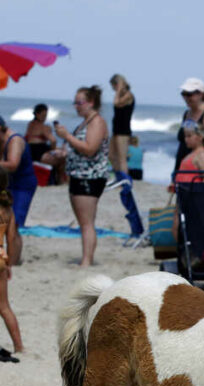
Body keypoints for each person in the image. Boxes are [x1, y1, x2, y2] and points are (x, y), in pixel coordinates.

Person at [56, 85, 110, 267]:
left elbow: (90, 148)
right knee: (84, 222)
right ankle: (86, 259)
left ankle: (86, 261)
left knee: (86, 223)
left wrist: (66, 136)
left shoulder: (97, 122)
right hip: (80, 175)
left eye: (80, 102)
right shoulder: (86, 122)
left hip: (90, 176)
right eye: (75, 103)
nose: (76, 106)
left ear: (91, 102)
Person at [107, 74, 144, 238]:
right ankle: (118, 176)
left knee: (122, 158)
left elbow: (116, 103)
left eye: (114, 86)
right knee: (110, 155)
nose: (113, 90)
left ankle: (125, 182)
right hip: (116, 128)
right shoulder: (122, 94)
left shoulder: (128, 95)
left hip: (123, 130)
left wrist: (120, 89)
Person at [0, 114, 37, 266]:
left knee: (14, 225)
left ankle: (13, 264)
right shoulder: (2, 139)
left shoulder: (15, 140)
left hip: (23, 185)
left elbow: (13, 164)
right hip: (8, 184)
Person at [173, 78, 204, 185]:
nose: (186, 98)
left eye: (189, 94)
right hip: (184, 170)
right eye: (184, 94)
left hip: (200, 173)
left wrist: (200, 164)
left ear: (201, 94)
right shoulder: (187, 114)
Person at [171, 121, 204, 241]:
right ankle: (184, 254)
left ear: (200, 137)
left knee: (181, 227)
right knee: (176, 227)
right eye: (185, 136)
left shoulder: (202, 155)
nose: (186, 139)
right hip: (183, 195)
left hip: (193, 197)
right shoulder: (192, 154)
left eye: (189, 136)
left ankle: (189, 254)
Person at [0, 169, 23, 355]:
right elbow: (12, 238)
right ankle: (19, 346)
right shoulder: (7, 209)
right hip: (0, 258)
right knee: (4, 306)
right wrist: (9, 264)